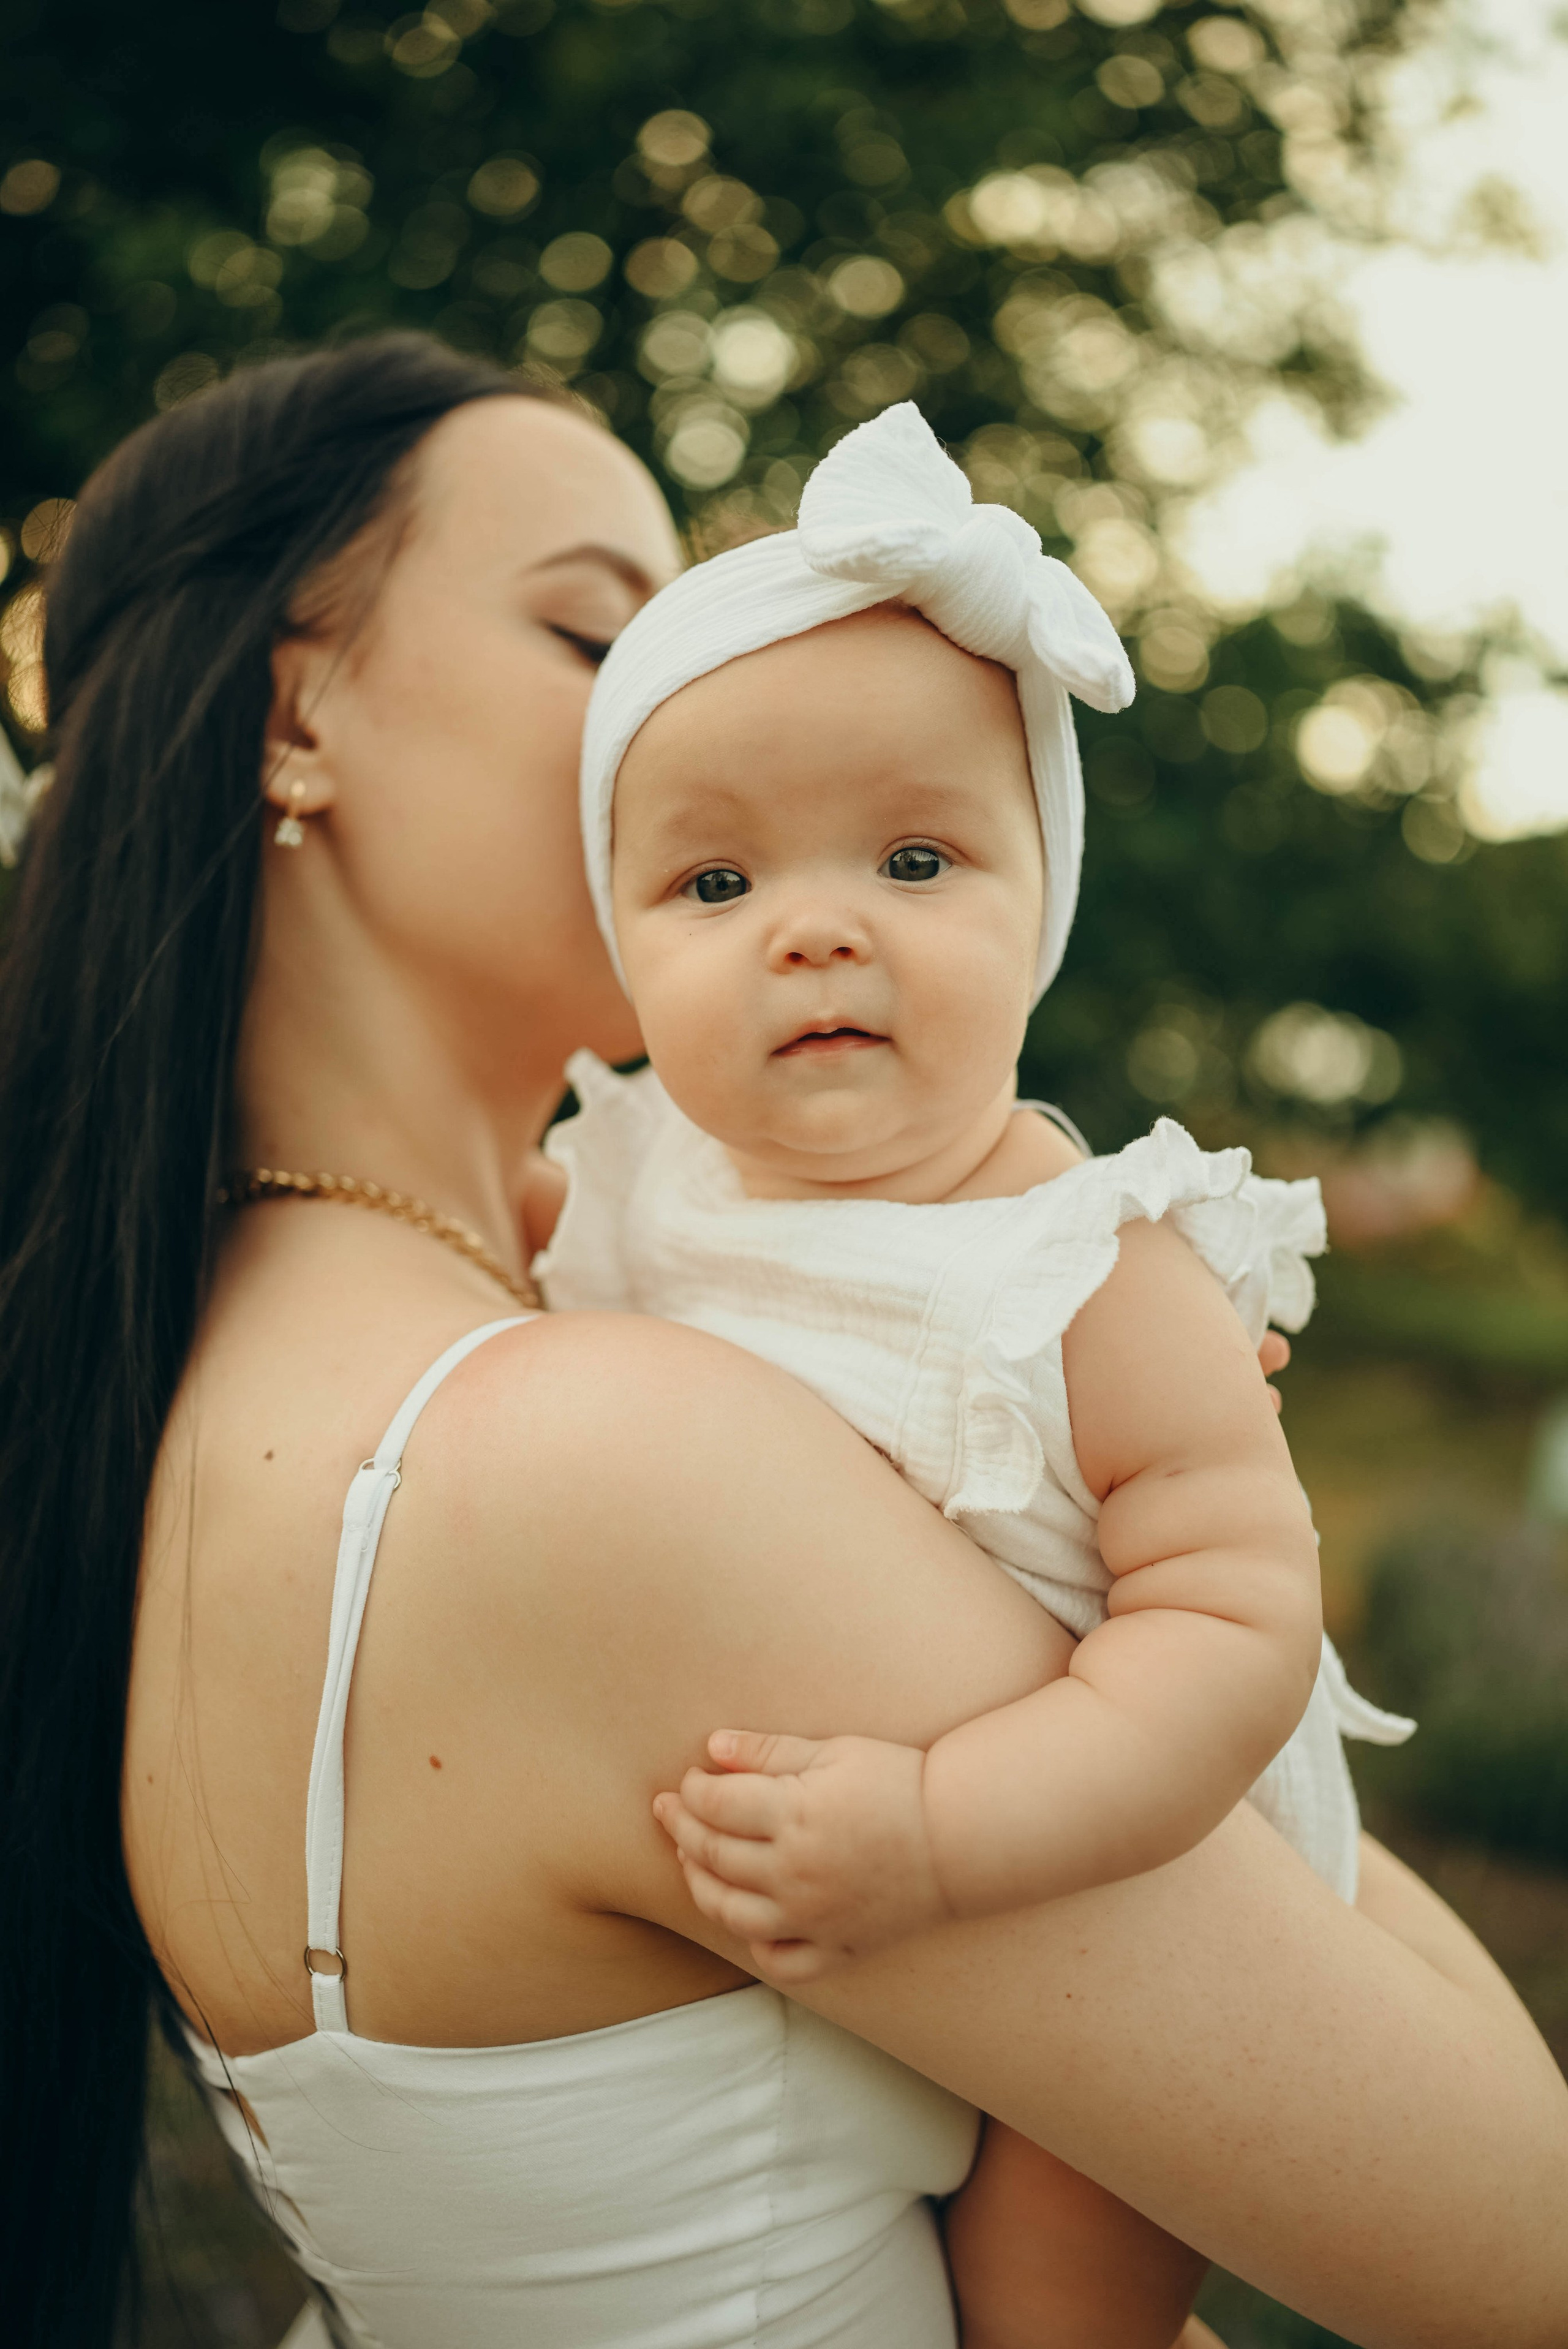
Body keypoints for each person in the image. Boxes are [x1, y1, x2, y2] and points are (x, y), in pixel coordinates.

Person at [1, 336, 1564, 2349]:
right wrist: (1102, 1563)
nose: (716, 681)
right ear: (297, 718)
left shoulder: (216, 1369)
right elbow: (1515, 2232)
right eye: (601, 632)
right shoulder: (598, 1458)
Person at [532, 401, 1418, 2345]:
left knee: (1047, 2299)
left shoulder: (1086, 1268)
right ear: (621, 944)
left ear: (1043, 907)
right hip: (789, 1891)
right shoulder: (641, 1183)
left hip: (1119, 1878)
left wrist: (948, 1828)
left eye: (916, 857)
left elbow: (1235, 1627)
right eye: (715, 885)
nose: (816, 928)